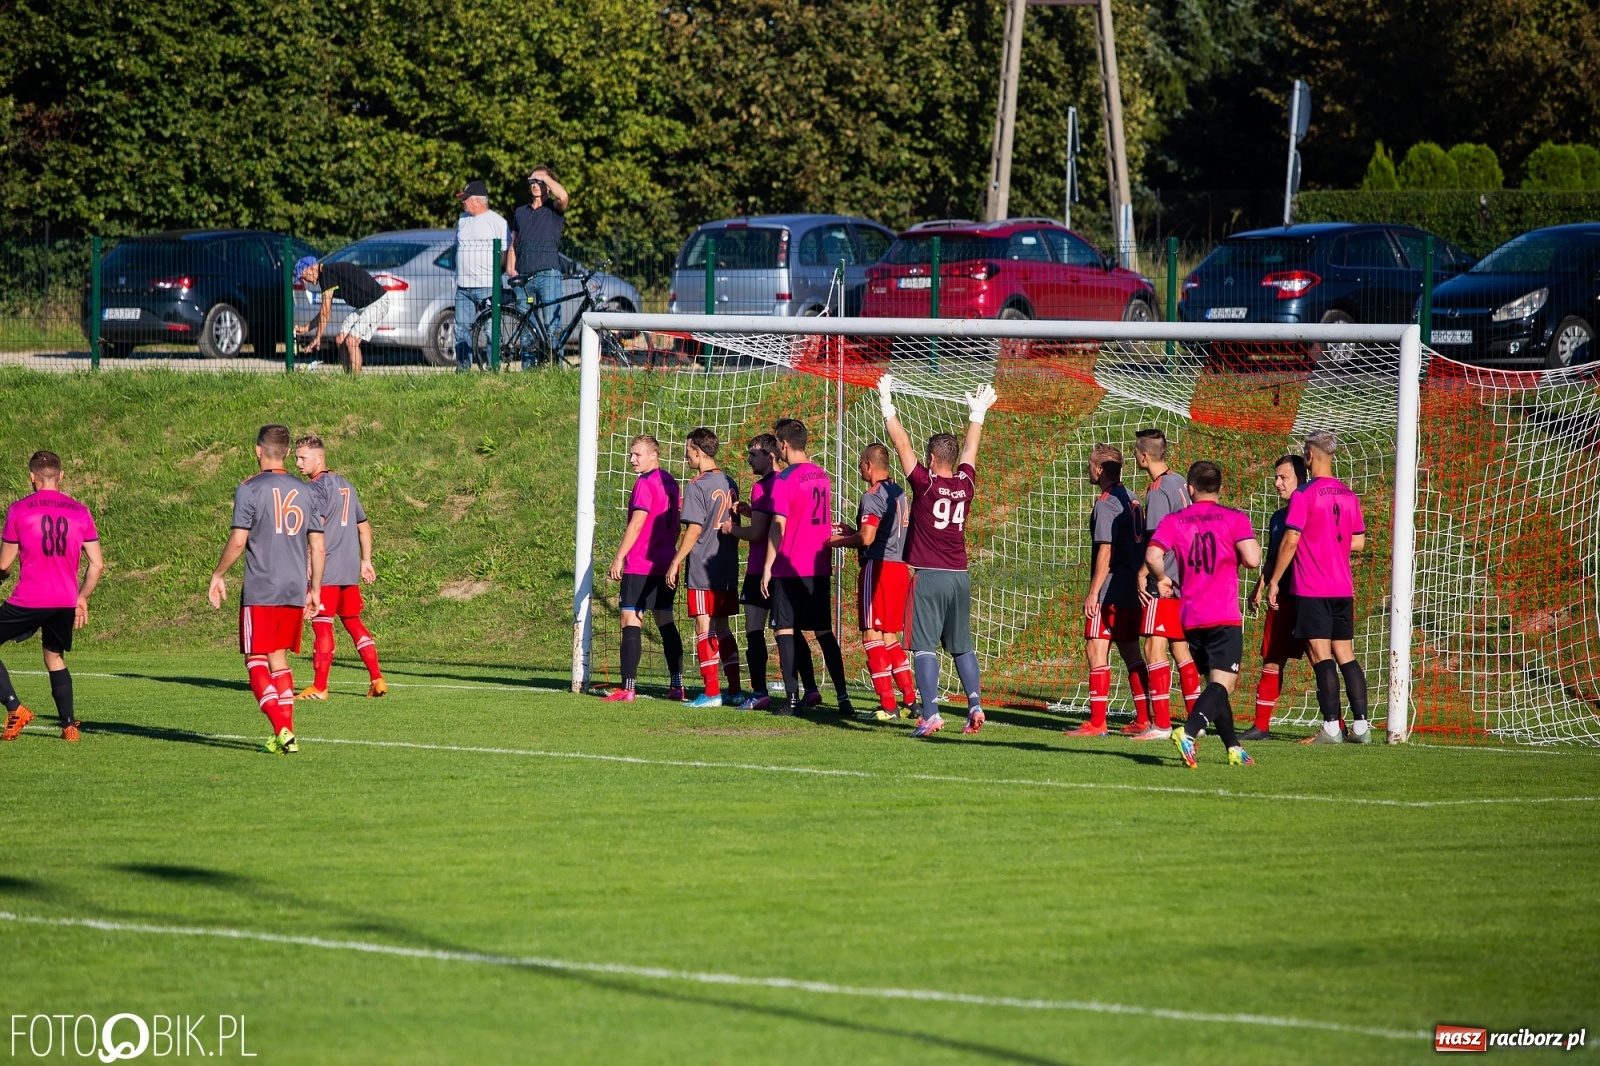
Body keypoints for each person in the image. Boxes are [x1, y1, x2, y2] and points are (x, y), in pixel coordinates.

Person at [876, 375, 997, 737]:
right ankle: (975, 703)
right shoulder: (965, 484)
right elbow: (971, 452)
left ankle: (930, 713)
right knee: (962, 646)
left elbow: (900, 443)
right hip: (960, 576)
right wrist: (978, 415)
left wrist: (887, 404)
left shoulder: (926, 483)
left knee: (924, 647)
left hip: (928, 577)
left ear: (931, 459)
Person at [208, 425, 325, 755]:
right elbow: (317, 545)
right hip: (293, 587)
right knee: (279, 658)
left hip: (262, 586)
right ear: (288, 453)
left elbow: (239, 539)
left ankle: (281, 729)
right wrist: (313, 589)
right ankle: (286, 734)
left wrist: (218, 574)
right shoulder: (307, 491)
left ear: (258, 451)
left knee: (255, 657)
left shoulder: (249, 488)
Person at [1145, 460, 1262, 768]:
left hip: (1190, 616)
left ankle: (1233, 747)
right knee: (1223, 684)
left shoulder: (1174, 520)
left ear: (1190, 488)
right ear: (1220, 488)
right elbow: (1252, 559)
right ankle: (1188, 731)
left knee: (1216, 684)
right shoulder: (1233, 518)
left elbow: (1153, 555)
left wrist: (1161, 578)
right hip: (1223, 614)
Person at [1266, 431, 1370, 743]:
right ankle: (1361, 728)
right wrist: (1329, 541)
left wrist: (1273, 582)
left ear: (1309, 457)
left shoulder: (1305, 495)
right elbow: (1359, 541)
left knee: (1320, 653)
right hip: (1342, 587)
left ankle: (1330, 727)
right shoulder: (1348, 494)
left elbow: (1291, 539)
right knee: (1346, 654)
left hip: (1313, 586)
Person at [0, 452, 105, 743]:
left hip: (30, 598)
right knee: (54, 656)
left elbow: (4, 565)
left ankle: (14, 706)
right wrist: (81, 596)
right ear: (60, 476)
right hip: (64, 600)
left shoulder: (19, 510)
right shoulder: (80, 510)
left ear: (31, 477)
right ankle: (69, 726)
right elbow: (96, 563)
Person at [719, 434, 819, 711]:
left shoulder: (763, 485)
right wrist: (752, 512)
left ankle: (760, 692)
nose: (749, 459)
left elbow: (759, 532)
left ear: (771, 455)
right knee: (791, 632)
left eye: (754, 454)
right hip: (788, 569)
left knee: (754, 631)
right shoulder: (788, 480)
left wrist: (732, 530)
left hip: (760, 569)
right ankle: (810, 689)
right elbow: (776, 519)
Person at [761, 418, 853, 716]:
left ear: (784, 445)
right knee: (824, 632)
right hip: (819, 565)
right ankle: (843, 698)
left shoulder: (785, 478)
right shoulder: (821, 475)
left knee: (784, 630)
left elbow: (778, 525)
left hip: (790, 565)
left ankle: (790, 700)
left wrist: (767, 567)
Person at [828, 443, 917, 722]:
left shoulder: (873, 495)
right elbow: (877, 533)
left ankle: (887, 705)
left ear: (869, 465)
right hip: (900, 568)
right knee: (889, 636)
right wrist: (851, 531)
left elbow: (867, 539)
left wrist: (838, 541)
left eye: (860, 464)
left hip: (877, 569)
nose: (859, 469)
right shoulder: (900, 493)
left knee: (871, 635)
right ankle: (911, 701)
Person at [293, 436, 386, 701]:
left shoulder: (314, 488)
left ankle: (320, 687)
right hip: (348, 568)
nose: (298, 463)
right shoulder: (346, 485)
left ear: (319, 458)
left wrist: (310, 565)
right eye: (296, 457)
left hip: (328, 567)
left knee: (322, 625)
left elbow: (316, 531)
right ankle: (377, 678)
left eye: (302, 457)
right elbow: (364, 526)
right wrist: (365, 560)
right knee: (354, 622)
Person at [1070, 444, 1151, 738]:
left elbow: (1106, 550)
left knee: (1096, 648)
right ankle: (1143, 718)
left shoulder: (1106, 503)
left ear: (1099, 469)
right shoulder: (1132, 498)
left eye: (1091, 465)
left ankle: (1097, 723)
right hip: (1132, 587)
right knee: (1131, 651)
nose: (1089, 469)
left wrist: (1093, 593)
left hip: (1110, 590)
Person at [1133, 428, 1201, 740]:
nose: (1136, 457)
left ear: (1144, 456)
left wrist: (1145, 573)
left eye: (1136, 452)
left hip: (1166, 582)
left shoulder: (1158, 491)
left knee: (1153, 647)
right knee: (1180, 649)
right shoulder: (1180, 483)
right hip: (1188, 580)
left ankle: (1161, 724)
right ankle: (1195, 721)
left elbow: (1156, 540)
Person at [605, 435, 684, 701]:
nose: (631, 460)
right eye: (630, 454)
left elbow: (637, 523)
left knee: (630, 619)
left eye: (637, 454)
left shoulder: (645, 483)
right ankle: (677, 685)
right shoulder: (671, 482)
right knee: (665, 621)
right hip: (665, 562)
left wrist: (619, 557)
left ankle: (628, 688)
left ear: (654, 455)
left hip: (640, 562)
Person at [667, 427, 742, 708]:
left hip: (702, 565)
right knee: (722, 627)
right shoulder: (729, 480)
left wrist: (676, 560)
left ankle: (711, 692)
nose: (686, 456)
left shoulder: (697, 485)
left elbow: (695, 529)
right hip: (726, 565)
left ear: (698, 451)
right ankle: (734, 689)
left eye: (688, 451)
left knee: (703, 626)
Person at [1242, 454, 1308, 741]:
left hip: (1309, 595)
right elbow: (1272, 558)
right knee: (1272, 659)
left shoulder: (1311, 511)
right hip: (1280, 598)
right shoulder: (1278, 517)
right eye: (1277, 477)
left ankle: (1336, 724)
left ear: (1301, 480)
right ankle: (1261, 726)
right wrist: (1260, 585)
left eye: (1284, 477)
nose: (1277, 482)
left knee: (1322, 661)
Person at [507, 165, 571, 369]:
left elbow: (564, 196)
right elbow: (514, 243)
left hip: (548, 274)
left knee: (552, 326)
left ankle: (556, 369)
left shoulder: (554, 209)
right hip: (524, 277)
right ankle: (528, 372)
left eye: (540, 182)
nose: (536, 185)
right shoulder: (520, 212)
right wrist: (511, 267)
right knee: (527, 328)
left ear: (549, 186)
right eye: (533, 181)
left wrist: (545, 177)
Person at [293, 257, 392, 374]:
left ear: (311, 269)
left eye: (303, 276)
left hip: (377, 302)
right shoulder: (326, 275)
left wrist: (318, 337)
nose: (304, 281)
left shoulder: (326, 274)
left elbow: (326, 310)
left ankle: (357, 381)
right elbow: (324, 311)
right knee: (340, 339)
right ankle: (348, 377)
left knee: (351, 341)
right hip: (365, 305)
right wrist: (307, 328)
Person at [452, 179, 511, 372]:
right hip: (463, 287)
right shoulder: (463, 220)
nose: (463, 202)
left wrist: (496, 277)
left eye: (466, 199)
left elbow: (504, 254)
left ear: (477, 201)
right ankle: (463, 369)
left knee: (491, 330)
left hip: (488, 286)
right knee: (461, 329)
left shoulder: (497, 222)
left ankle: (492, 368)